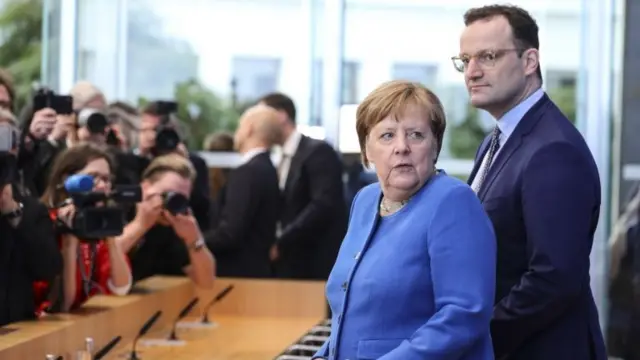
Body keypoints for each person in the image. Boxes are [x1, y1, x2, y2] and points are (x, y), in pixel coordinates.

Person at [455, 4, 606, 359]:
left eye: (487, 56)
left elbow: (552, 279)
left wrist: (478, 338)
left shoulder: (552, 149)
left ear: (529, 61)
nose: (472, 72)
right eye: (465, 60)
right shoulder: (496, 140)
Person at [313, 80, 496, 360]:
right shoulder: (365, 200)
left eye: (416, 135)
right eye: (387, 136)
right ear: (366, 150)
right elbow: (349, 312)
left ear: (435, 146)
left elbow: (463, 315)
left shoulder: (453, 202)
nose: (402, 147)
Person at [259, 93, 347, 281]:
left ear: (281, 115)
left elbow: (323, 204)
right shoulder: (278, 157)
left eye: (262, 116)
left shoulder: (318, 151)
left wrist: (282, 241)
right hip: (291, 262)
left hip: (314, 263)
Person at [39, 143, 132, 311]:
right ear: (67, 179)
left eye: (106, 179)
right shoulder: (44, 222)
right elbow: (62, 305)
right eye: (93, 177)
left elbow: (121, 288)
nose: (102, 186)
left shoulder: (97, 225)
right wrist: (69, 241)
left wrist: (109, 234)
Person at [115, 153, 215, 288]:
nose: (171, 203)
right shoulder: (120, 208)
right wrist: (140, 225)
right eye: (166, 194)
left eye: (180, 199)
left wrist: (194, 239)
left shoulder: (174, 223)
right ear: (145, 187)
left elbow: (206, 282)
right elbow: (100, 258)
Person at [0, 107, 61, 325]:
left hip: (15, 330)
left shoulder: (32, 209)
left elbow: (47, 269)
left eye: (8, 139)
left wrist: (12, 212)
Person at [203, 105, 281, 278]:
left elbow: (230, 232)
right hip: (257, 271)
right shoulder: (267, 168)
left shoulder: (248, 172)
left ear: (249, 128)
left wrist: (193, 241)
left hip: (239, 275)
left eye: (239, 126)